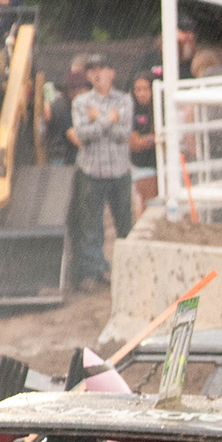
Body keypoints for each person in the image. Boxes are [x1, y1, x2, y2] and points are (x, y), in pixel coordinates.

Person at [66, 56, 133, 289]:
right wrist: (109, 121)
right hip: (92, 171)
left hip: (119, 170)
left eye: (101, 69)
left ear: (111, 73)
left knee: (124, 223)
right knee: (91, 224)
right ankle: (92, 272)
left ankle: (129, 272)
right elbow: (82, 135)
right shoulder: (81, 102)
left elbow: (124, 133)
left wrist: (99, 120)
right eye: (92, 70)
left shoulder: (125, 99)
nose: (97, 74)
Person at [129, 75, 157, 207]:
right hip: (142, 164)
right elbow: (134, 143)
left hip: (161, 162)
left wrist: (146, 140)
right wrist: (152, 139)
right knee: (147, 205)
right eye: (137, 90)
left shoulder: (160, 107)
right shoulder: (132, 110)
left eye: (145, 89)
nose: (141, 94)